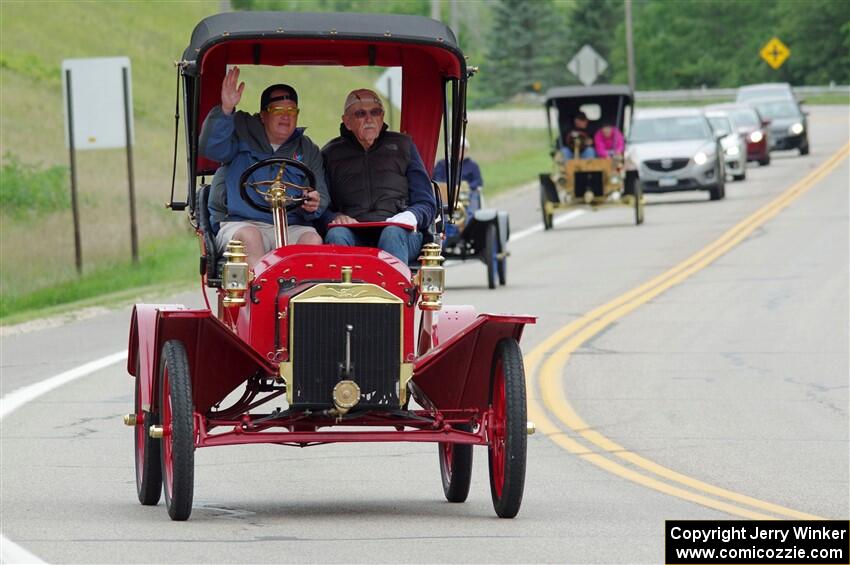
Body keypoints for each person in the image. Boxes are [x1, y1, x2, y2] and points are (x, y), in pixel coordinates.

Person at [199, 67, 328, 268]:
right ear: (263, 115)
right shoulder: (240, 130)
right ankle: (259, 297)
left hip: (290, 225)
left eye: (291, 111)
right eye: (278, 111)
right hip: (240, 222)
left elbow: (321, 197)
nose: (286, 117)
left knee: (313, 241)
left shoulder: (307, 149)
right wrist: (225, 110)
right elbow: (211, 149)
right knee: (250, 237)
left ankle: (297, 298)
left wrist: (313, 204)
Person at [321, 89, 436, 264]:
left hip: (401, 234)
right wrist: (334, 218)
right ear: (347, 122)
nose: (369, 119)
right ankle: (344, 291)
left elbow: (427, 203)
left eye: (375, 112)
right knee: (337, 234)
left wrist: (409, 216)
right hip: (354, 233)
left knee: (392, 233)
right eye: (360, 114)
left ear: (382, 117)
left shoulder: (404, 146)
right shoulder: (330, 154)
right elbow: (319, 208)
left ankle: (395, 291)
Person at [433, 137, 484, 211]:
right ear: (451, 149)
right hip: (446, 194)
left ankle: (470, 219)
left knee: (474, 197)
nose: (459, 151)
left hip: (467, 194)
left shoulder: (473, 165)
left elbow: (478, 181)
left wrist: (466, 187)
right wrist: (447, 186)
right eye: (456, 148)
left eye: (462, 148)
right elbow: (436, 179)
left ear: (466, 150)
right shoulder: (442, 164)